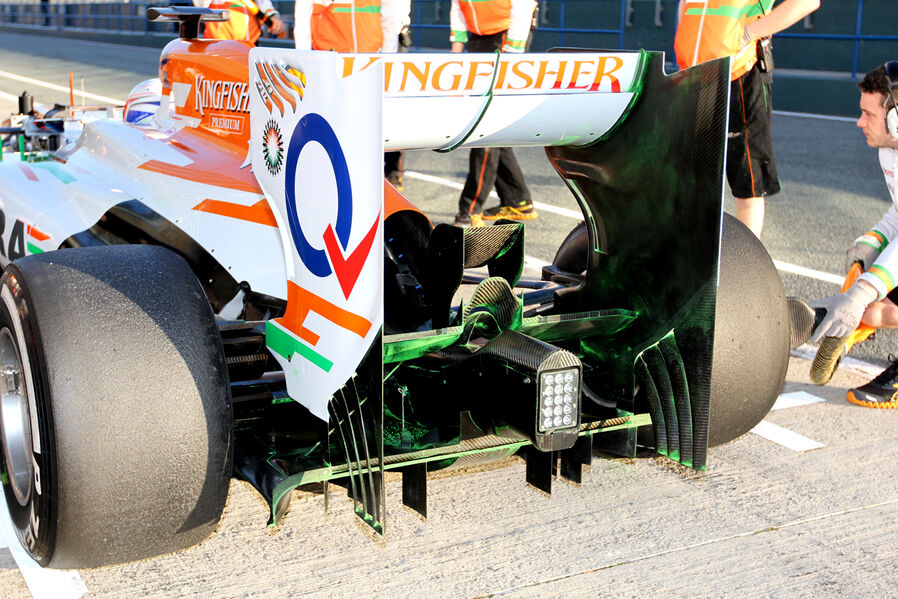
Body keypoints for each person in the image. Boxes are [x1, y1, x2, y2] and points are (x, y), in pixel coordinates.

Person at [674, 0, 820, 238]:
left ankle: (747, 266)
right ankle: (697, 260)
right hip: (695, 75)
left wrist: (749, 34)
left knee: (748, 184)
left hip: (740, 74)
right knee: (693, 182)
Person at [808, 62, 898, 408]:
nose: (859, 122)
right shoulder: (891, 150)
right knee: (874, 313)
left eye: (867, 114)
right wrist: (873, 241)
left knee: (866, 298)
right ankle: (845, 329)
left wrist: (860, 293)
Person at [294, 0, 409, 188]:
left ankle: (380, 181)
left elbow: (389, 17)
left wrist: (388, 60)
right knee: (336, 128)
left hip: (370, 61)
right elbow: (303, 19)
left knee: (372, 127)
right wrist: (306, 62)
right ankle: (332, 183)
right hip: (330, 63)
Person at [450, 0, 537, 228]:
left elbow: (523, 5)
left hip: (507, 36)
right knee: (491, 121)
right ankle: (518, 199)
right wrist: (456, 56)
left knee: (485, 122)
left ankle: (470, 209)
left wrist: (513, 53)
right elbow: (459, 7)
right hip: (479, 38)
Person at [192, 0, 285, 44]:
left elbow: (263, 3)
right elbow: (199, 5)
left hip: (249, 44)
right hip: (216, 45)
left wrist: (272, 16)